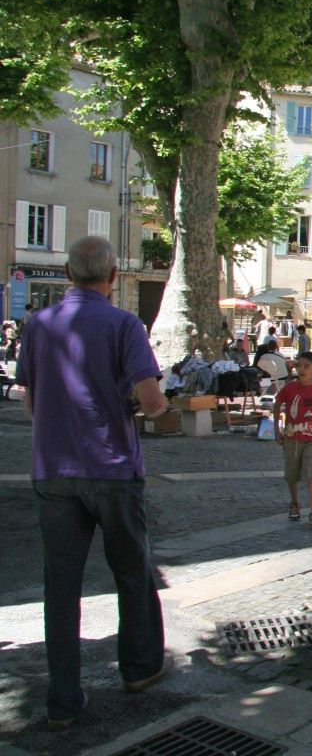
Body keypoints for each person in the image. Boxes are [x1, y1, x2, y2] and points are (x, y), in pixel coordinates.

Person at [16, 236, 173, 730]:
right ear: (111, 278)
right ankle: (139, 669)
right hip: (111, 466)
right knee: (132, 572)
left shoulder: (38, 324)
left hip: (54, 469)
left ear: (67, 274)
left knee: (60, 589)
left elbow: (29, 402)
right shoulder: (124, 324)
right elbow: (152, 402)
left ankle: (63, 701)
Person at [273, 351, 312, 526]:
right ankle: (295, 502)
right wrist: (277, 430)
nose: (301, 369)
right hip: (292, 438)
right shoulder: (289, 388)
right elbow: (277, 405)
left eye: (306, 366)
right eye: (299, 365)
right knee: (292, 475)